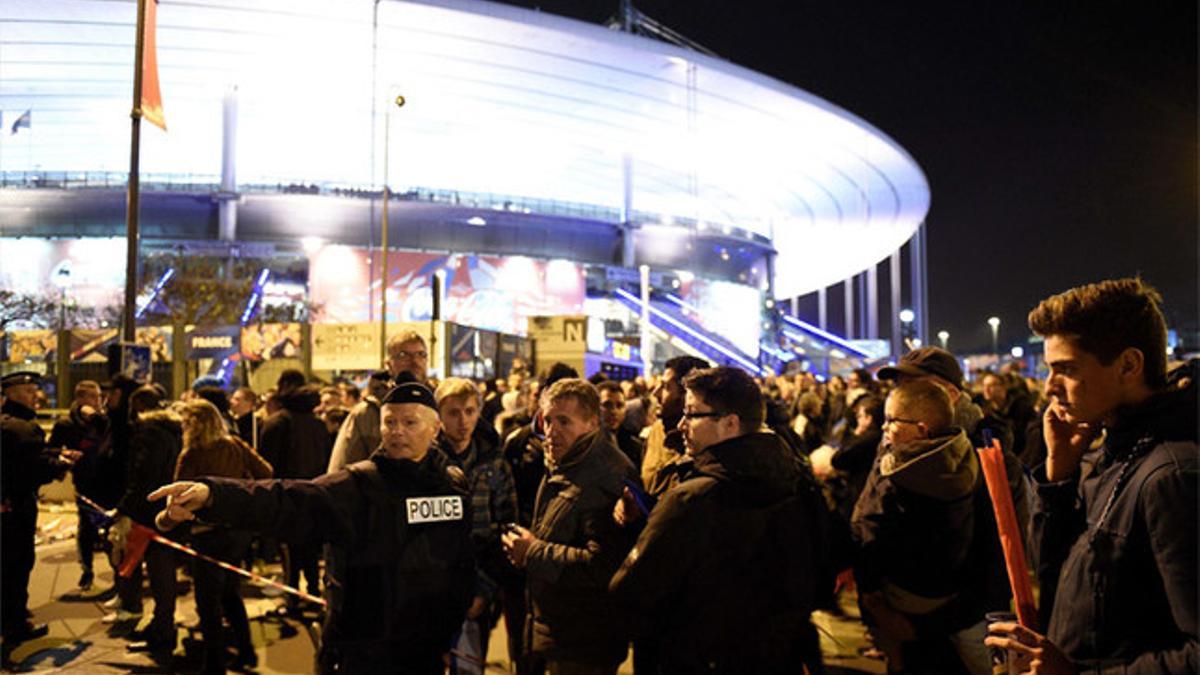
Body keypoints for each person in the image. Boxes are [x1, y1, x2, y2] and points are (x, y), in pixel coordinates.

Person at [151, 381, 475, 674]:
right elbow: (287, 500)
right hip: (366, 654)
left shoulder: (453, 486)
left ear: (434, 429)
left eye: (409, 423)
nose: (396, 431)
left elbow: (460, 566)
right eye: (389, 422)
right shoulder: (359, 485)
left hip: (427, 653)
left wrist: (450, 634)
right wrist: (213, 495)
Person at [985, 278, 1198, 673]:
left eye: (1066, 369)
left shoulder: (1173, 475)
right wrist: (1059, 474)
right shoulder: (1106, 454)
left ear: (1129, 365)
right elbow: (1054, 573)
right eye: (1050, 370)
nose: (1049, 387)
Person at [610, 366, 824, 674]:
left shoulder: (692, 500)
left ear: (730, 423)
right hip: (776, 656)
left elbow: (630, 592)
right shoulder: (797, 480)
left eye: (693, 414)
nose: (682, 424)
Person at [501, 378, 640, 674]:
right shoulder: (564, 463)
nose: (551, 431)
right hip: (557, 634)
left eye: (564, 421)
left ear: (591, 423)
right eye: (548, 420)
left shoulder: (605, 475)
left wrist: (532, 552)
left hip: (583, 643)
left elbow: (603, 565)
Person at [852, 379, 987, 675]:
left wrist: (873, 598)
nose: (884, 428)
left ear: (922, 429)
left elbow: (872, 533)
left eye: (891, 421)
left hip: (901, 602)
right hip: (950, 604)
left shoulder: (898, 476)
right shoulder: (968, 461)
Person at [174, 399, 273, 673]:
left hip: (207, 534)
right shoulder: (235, 446)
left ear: (193, 425)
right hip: (238, 530)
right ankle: (246, 651)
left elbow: (178, 499)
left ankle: (215, 663)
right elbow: (266, 472)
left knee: (208, 602)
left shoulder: (192, 455)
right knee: (231, 593)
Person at [434, 378, 518, 673]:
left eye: (470, 412)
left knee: (469, 665)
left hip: (478, 580)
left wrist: (484, 589)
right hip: (430, 586)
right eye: (453, 413)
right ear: (439, 416)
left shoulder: (494, 464)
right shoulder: (426, 462)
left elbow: (506, 527)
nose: (463, 420)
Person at [1, 372, 79, 647]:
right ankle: (16, 624)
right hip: (16, 507)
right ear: (11, 393)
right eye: (29, 390)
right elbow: (31, 468)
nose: (37, 396)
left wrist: (53, 454)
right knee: (17, 564)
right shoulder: (23, 428)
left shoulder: (10, 425)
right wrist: (61, 465)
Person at [114, 386, 183, 655]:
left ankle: (162, 633)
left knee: (159, 575)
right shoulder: (174, 430)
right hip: (169, 510)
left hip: (150, 513)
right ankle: (162, 626)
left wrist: (124, 508)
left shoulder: (148, 433)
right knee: (164, 575)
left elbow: (143, 475)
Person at [259, 369, 330, 610]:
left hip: (285, 494)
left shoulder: (277, 422)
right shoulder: (319, 425)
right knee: (309, 547)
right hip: (315, 493)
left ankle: (291, 595)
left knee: (289, 548)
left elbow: (267, 464)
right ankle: (312, 591)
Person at [328, 330, 429, 471]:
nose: (415, 361)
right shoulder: (366, 414)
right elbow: (340, 472)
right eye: (403, 355)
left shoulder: (439, 407)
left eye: (421, 354)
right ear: (389, 364)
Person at [48, 379, 109, 591]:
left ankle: (118, 575)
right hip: (84, 481)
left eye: (100, 397)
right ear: (81, 399)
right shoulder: (67, 425)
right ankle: (87, 570)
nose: (98, 401)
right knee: (86, 526)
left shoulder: (102, 420)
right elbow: (51, 449)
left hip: (106, 481)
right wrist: (64, 456)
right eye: (94, 397)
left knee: (110, 526)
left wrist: (98, 417)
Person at [640, 356, 709, 496]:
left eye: (665, 387)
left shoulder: (705, 437)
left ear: (687, 395)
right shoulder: (656, 431)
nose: (655, 393)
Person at [597, 381, 643, 468]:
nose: (614, 411)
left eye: (619, 405)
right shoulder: (586, 446)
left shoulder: (635, 447)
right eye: (607, 405)